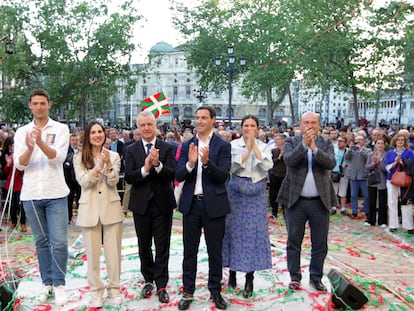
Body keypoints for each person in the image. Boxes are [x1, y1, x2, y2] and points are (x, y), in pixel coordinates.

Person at [14, 88, 70, 306]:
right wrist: (29, 147)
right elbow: (20, 163)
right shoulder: (22, 132)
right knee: (42, 241)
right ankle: (47, 282)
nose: (39, 106)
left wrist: (39, 143)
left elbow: (59, 157)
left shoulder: (61, 128)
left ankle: (59, 284)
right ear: (30, 105)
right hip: (31, 194)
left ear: (49, 105)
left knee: (59, 241)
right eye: (35, 103)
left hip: (55, 192)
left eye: (42, 103)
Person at [175, 106, 231, 310]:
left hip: (214, 206)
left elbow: (223, 176)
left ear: (213, 120)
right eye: (197, 117)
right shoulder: (188, 144)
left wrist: (206, 163)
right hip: (191, 206)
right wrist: (191, 164)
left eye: (203, 118)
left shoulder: (223, 146)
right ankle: (188, 291)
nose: (199, 121)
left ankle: (215, 291)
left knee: (215, 252)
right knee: (189, 251)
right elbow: (179, 174)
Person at [277, 111, 337, 292]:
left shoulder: (325, 143)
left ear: (318, 125)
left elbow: (331, 163)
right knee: (293, 241)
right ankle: (295, 277)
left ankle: (316, 277)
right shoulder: (291, 141)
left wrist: (315, 149)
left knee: (320, 243)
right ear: (300, 124)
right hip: (296, 201)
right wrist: (304, 145)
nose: (309, 126)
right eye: (306, 123)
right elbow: (289, 160)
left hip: (320, 201)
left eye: (313, 123)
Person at [124, 110, 176, 303]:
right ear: (138, 127)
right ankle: (148, 279)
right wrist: (146, 168)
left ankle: (161, 284)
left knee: (162, 246)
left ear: (155, 126)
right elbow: (129, 177)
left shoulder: (167, 148)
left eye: (149, 124)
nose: (146, 128)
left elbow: (172, 174)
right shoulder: (131, 149)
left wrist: (158, 165)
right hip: (141, 206)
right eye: (142, 125)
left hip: (162, 205)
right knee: (144, 245)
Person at [74, 121, 124, 308]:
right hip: (89, 210)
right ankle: (96, 291)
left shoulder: (114, 155)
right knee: (93, 255)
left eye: (100, 132)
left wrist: (108, 165)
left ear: (104, 134)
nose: (97, 135)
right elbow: (84, 182)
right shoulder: (80, 157)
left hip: (111, 209)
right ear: (88, 136)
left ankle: (114, 289)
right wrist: (98, 167)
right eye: (93, 132)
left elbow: (113, 182)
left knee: (113, 254)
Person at [222, 115, 273, 298]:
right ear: (241, 127)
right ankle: (232, 272)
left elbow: (267, 166)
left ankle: (249, 276)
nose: (249, 128)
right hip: (236, 192)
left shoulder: (264, 146)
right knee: (233, 231)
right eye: (246, 125)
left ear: (258, 128)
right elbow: (232, 168)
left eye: (252, 125)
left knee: (252, 234)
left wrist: (255, 149)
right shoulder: (233, 146)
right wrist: (246, 151)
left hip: (256, 194)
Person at [384, 133, 414, 233]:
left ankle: (408, 226)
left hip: (405, 180)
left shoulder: (409, 152)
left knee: (405, 202)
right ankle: (393, 224)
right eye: (398, 140)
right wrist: (395, 163)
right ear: (395, 141)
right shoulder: (390, 153)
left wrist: (403, 162)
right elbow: (387, 167)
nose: (400, 142)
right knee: (392, 202)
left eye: (402, 140)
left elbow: (412, 166)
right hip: (392, 179)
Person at [2, 136, 26, 232]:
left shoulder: (22, 157)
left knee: (20, 204)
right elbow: (6, 171)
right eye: (13, 146)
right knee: (12, 205)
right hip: (11, 184)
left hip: (19, 184)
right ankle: (13, 222)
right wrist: (8, 164)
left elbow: (23, 170)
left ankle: (23, 223)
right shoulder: (10, 157)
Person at [344, 135, 370, 219]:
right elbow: (346, 157)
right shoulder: (352, 150)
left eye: (360, 140)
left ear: (363, 141)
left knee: (366, 195)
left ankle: (366, 211)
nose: (358, 142)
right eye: (357, 140)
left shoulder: (367, 150)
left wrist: (360, 150)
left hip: (363, 175)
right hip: (353, 176)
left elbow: (367, 158)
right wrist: (351, 148)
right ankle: (354, 211)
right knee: (353, 195)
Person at [365, 138, 388, 227]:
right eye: (378, 143)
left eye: (382, 143)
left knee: (382, 202)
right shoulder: (371, 154)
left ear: (384, 145)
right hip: (372, 180)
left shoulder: (386, 155)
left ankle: (382, 221)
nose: (380, 145)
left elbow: (385, 169)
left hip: (382, 181)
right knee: (371, 201)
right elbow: (367, 167)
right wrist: (374, 164)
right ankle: (370, 220)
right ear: (375, 145)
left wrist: (378, 162)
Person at [63, 133, 81, 223]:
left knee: (80, 198)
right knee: (69, 198)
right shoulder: (65, 151)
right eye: (73, 140)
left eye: (76, 140)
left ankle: (81, 217)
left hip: (80, 178)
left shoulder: (82, 150)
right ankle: (68, 218)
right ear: (70, 141)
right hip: (69, 178)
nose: (75, 142)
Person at [268, 133, 287, 218]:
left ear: (283, 140)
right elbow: (270, 163)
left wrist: (284, 155)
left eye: (278, 139)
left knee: (284, 194)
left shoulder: (288, 151)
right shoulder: (273, 151)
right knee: (273, 194)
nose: (276, 141)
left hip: (285, 175)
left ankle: (285, 213)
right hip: (274, 174)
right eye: (275, 139)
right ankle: (274, 212)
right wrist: (279, 157)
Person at [330, 136, 349, 215]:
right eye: (338, 141)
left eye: (341, 141)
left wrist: (346, 164)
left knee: (343, 192)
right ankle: (333, 208)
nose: (339, 143)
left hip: (343, 174)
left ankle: (343, 208)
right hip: (334, 172)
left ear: (345, 143)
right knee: (333, 191)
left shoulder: (348, 151)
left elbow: (351, 161)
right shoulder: (334, 150)